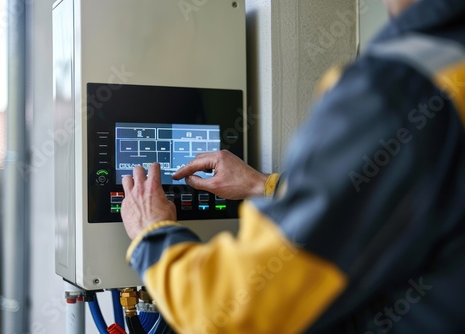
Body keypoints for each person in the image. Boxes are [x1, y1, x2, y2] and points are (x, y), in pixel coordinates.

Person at [120, 0, 465, 332]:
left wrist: (153, 232)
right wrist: (262, 184)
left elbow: (232, 311)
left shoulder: (398, 86)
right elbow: (399, 200)